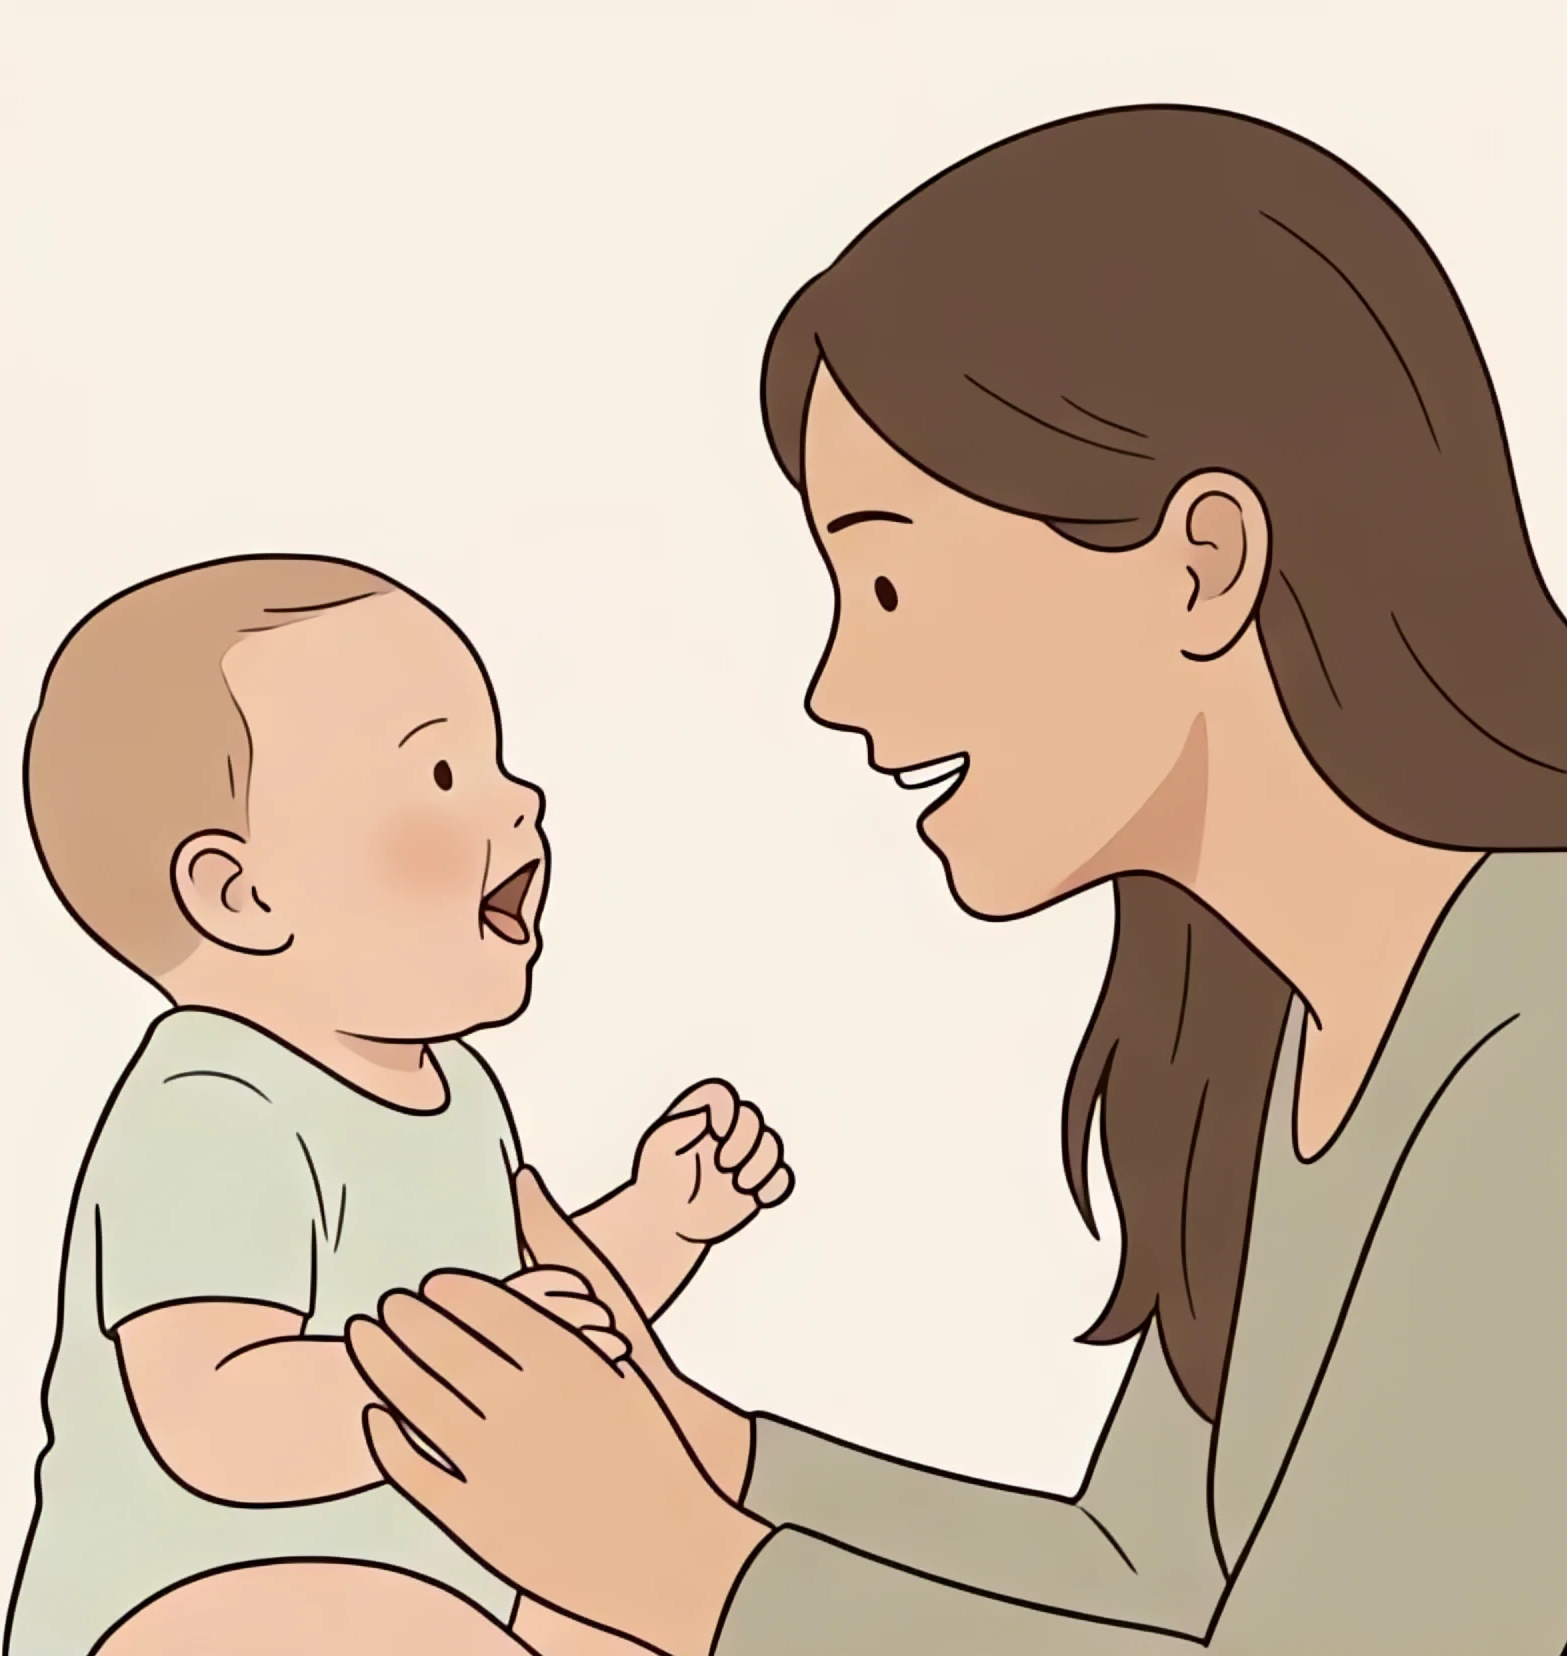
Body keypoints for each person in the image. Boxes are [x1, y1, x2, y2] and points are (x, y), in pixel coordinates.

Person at [343, 104, 1567, 1654]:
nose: (837, 686)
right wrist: (711, 1455)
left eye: (893, 581)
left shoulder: (1538, 1025)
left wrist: (690, 1577)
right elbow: (1151, 1575)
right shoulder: (1278, 1025)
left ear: (1202, 563)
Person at [4, 555, 794, 1656]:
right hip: (192, 1599)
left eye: (495, 762)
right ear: (244, 895)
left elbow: (544, 1311)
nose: (521, 801)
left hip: (437, 1585)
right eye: (438, 777)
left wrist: (660, 1222)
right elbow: (213, 1418)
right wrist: (428, 1381)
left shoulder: (461, 1093)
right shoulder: (209, 1107)